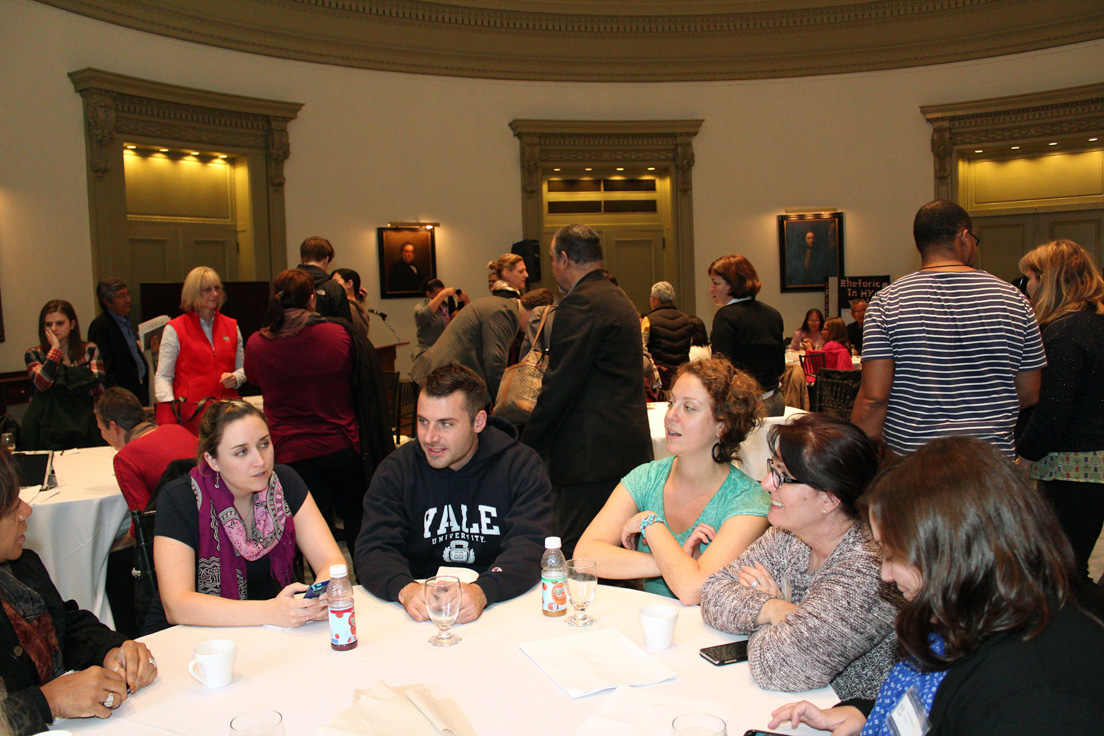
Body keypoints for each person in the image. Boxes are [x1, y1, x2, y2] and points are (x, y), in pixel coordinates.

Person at [768, 437, 1104, 736]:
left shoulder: (1033, 699)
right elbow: (931, 706)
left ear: (953, 556)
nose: (885, 574)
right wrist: (863, 714)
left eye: (894, 555)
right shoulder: (976, 612)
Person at [700, 413, 901, 700]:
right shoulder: (790, 535)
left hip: (845, 719)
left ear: (829, 500)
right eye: (773, 468)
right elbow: (712, 592)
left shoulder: (867, 568)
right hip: (793, 703)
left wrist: (765, 620)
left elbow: (777, 667)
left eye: (783, 476)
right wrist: (773, 608)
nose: (767, 483)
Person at [356, 365, 552, 623]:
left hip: (503, 601)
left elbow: (531, 544)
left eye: (445, 424)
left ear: (478, 422)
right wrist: (405, 589)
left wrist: (485, 590)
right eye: (423, 421)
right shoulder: (396, 470)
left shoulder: (520, 465)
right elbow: (373, 548)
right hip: (421, 608)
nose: (429, 437)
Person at [851, 200, 1046, 457]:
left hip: (914, 461)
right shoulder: (1014, 299)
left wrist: (857, 458)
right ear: (965, 238)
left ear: (919, 244)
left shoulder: (888, 301)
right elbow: (1030, 392)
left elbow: (875, 398)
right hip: (990, 461)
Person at [575, 359, 770, 603]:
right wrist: (674, 564)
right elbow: (585, 556)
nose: (670, 416)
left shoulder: (749, 501)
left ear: (723, 424)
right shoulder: (647, 478)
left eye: (689, 408)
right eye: (671, 402)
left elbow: (693, 589)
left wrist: (650, 524)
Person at [146, 400, 345, 633]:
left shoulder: (284, 483)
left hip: (270, 631)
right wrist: (271, 611)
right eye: (241, 452)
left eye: (264, 444)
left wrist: (315, 599)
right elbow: (176, 606)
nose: (259, 461)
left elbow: (332, 562)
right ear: (212, 460)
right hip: (191, 637)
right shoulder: (180, 499)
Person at [0, 446, 157, 735]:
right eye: (11, 507)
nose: (27, 510)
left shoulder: (20, 565)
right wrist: (49, 701)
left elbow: (64, 623)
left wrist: (111, 650)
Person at [521, 225, 653, 557]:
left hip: (591, 457)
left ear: (564, 259)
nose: (552, 270)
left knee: (581, 555)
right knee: (613, 553)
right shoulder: (617, 296)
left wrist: (527, 446)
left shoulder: (580, 304)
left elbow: (560, 384)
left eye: (552, 260)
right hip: (621, 449)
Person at [245, 269, 393, 562]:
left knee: (311, 531)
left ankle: (321, 594)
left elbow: (253, 379)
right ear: (312, 299)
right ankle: (368, 581)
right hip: (341, 444)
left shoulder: (257, 344)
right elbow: (357, 382)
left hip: (289, 454)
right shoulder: (338, 335)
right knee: (357, 520)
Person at [1016, 239, 1104, 583]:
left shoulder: (1065, 333)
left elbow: (1053, 412)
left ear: (1048, 279)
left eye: (1031, 278)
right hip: (1092, 463)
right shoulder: (1095, 323)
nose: (1028, 287)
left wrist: (1023, 457)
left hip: (1072, 467)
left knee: (1064, 570)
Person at [153, 266, 245, 435]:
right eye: (207, 290)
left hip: (227, 415)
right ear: (193, 293)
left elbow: (243, 368)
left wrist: (236, 377)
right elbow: (163, 376)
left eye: (216, 288)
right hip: (191, 417)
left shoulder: (231, 325)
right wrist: (172, 408)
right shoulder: (175, 328)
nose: (214, 294)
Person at [95, 387, 198, 515]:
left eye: (100, 429)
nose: (102, 435)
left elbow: (143, 520)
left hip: (178, 526)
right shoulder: (179, 430)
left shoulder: (125, 458)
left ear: (113, 427)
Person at [410, 290, 527, 401]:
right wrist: (505, 400)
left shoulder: (498, 304)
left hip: (444, 376)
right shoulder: (505, 311)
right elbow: (495, 361)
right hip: (444, 380)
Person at [708, 254, 786, 417]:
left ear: (733, 285)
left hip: (743, 406)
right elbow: (779, 367)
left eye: (716, 283)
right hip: (774, 401)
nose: (711, 288)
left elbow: (721, 370)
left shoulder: (725, 316)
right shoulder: (773, 314)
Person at [22, 300, 104, 450]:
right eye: (48, 324)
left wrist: (60, 379)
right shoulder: (34, 354)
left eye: (60, 323)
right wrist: (55, 351)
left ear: (72, 324)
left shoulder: (90, 350)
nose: (54, 329)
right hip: (48, 428)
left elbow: (97, 388)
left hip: (86, 425)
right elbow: (41, 384)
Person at [87, 278, 148, 405]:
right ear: (107, 302)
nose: (128, 300)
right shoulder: (100, 326)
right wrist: (115, 396)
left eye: (127, 294)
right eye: (121, 296)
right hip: (120, 397)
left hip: (138, 390)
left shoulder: (125, 322)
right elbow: (104, 366)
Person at [641, 281, 694, 390]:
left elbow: (643, 348)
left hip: (660, 375)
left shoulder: (649, 320)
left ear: (657, 300)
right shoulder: (686, 319)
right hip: (681, 374)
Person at [412, 278, 470, 361]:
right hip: (427, 353)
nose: (442, 297)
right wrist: (443, 293)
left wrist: (465, 300)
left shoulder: (444, 306)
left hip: (445, 351)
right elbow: (424, 315)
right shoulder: (420, 307)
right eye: (439, 294)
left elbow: (458, 318)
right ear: (428, 294)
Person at [297, 236, 352, 322]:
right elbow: (345, 325)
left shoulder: (286, 283)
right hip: (325, 334)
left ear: (301, 258)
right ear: (326, 259)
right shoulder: (334, 288)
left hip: (292, 334)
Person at [330, 267, 371, 339]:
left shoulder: (348, 308)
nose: (331, 286)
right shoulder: (359, 308)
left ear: (349, 283)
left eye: (335, 282)